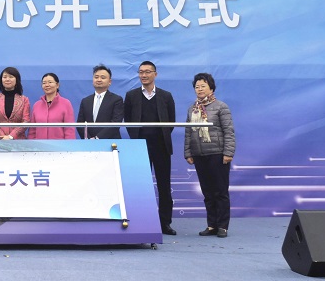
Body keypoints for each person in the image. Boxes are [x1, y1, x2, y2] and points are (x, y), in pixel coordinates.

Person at [124, 61, 177, 235]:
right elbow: (128, 121)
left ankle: (165, 223)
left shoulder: (166, 96)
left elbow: (171, 122)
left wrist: (159, 137)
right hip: (139, 147)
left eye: (147, 72)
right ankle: (141, 222)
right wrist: (137, 139)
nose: (144, 75)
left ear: (155, 74)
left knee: (164, 186)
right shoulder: (131, 96)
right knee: (140, 186)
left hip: (161, 147)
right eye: (141, 72)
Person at [184, 73, 235, 238]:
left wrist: (228, 152)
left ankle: (223, 226)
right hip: (199, 155)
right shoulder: (192, 109)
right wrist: (188, 152)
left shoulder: (221, 107)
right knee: (207, 192)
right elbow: (188, 132)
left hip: (217, 154)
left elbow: (229, 131)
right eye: (197, 87)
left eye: (203, 86)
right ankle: (211, 224)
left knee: (220, 191)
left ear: (211, 88)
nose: (199, 89)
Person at [77, 64, 124, 139]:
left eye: (103, 77)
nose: (99, 80)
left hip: (110, 142)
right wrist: (89, 139)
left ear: (110, 81)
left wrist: (97, 138)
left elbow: (115, 123)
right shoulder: (85, 101)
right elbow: (80, 124)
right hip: (89, 142)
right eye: (96, 77)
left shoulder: (116, 100)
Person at [28, 72, 76, 139]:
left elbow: (69, 130)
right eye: (44, 83)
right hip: (39, 145)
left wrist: (69, 145)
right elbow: (32, 131)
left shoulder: (66, 104)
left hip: (59, 145)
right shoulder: (37, 105)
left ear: (57, 85)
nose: (47, 85)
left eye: (50, 82)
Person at [0, 67, 30, 140]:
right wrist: (2, 136)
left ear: (17, 80)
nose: (7, 79)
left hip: (18, 141)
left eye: (11, 77)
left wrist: (10, 136)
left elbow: (26, 121)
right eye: (5, 77)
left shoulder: (24, 100)